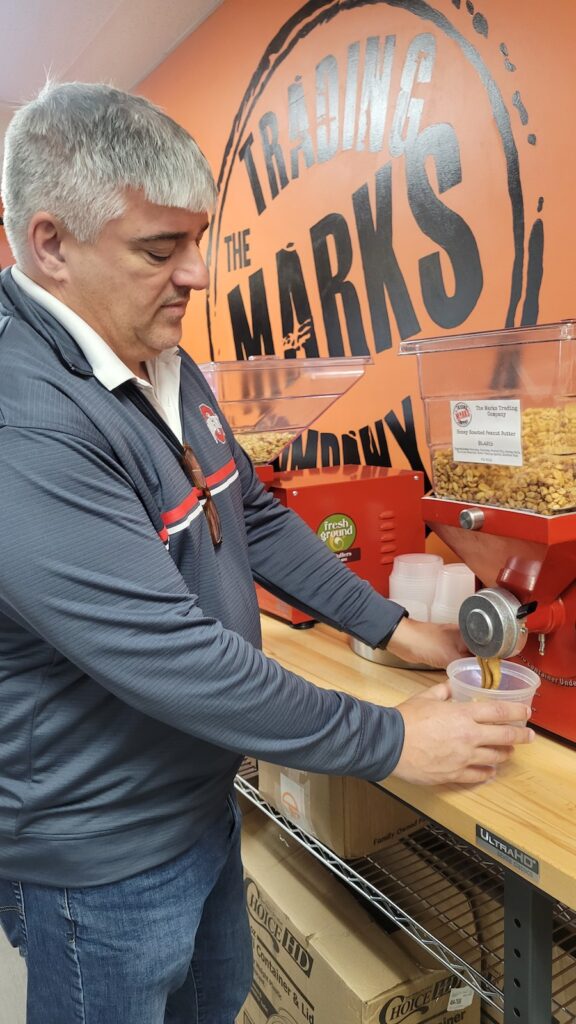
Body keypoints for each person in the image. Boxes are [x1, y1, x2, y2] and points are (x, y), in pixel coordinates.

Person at [0, 82, 534, 1024]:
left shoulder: (161, 359)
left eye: (198, 241)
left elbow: (250, 510)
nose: (197, 276)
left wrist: (394, 627)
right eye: (160, 249)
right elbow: (169, 654)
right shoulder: (25, 419)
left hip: (199, 796)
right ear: (51, 245)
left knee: (218, 1003)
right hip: (100, 854)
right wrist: (395, 740)